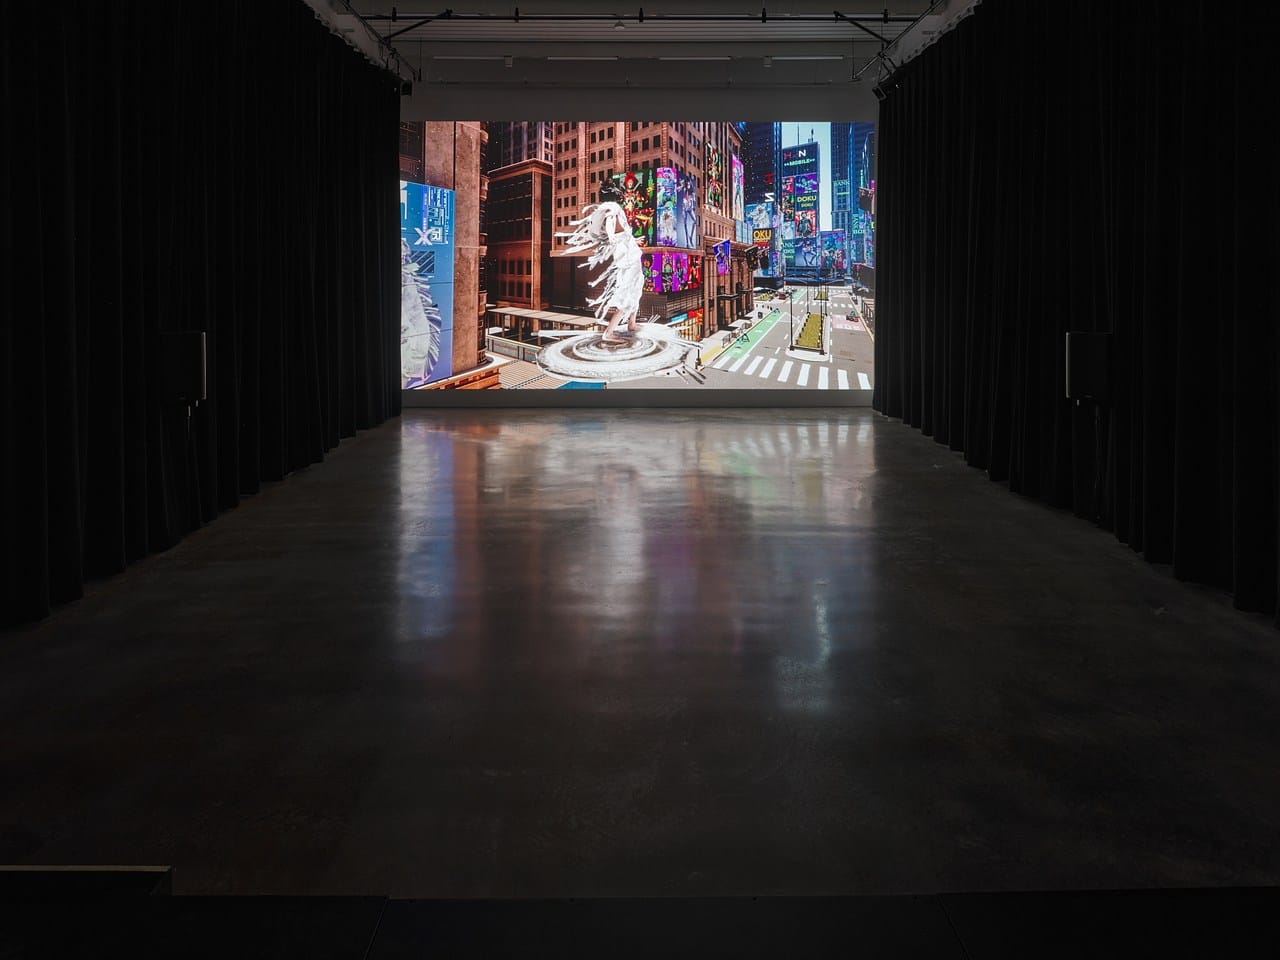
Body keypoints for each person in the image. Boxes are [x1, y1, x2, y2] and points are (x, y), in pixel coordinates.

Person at [559, 181, 645, 344]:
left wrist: (631, 240)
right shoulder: (613, 207)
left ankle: (631, 324)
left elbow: (616, 231)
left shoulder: (604, 208)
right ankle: (609, 332)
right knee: (628, 292)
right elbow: (612, 223)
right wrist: (612, 237)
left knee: (636, 286)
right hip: (628, 257)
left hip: (627, 254)